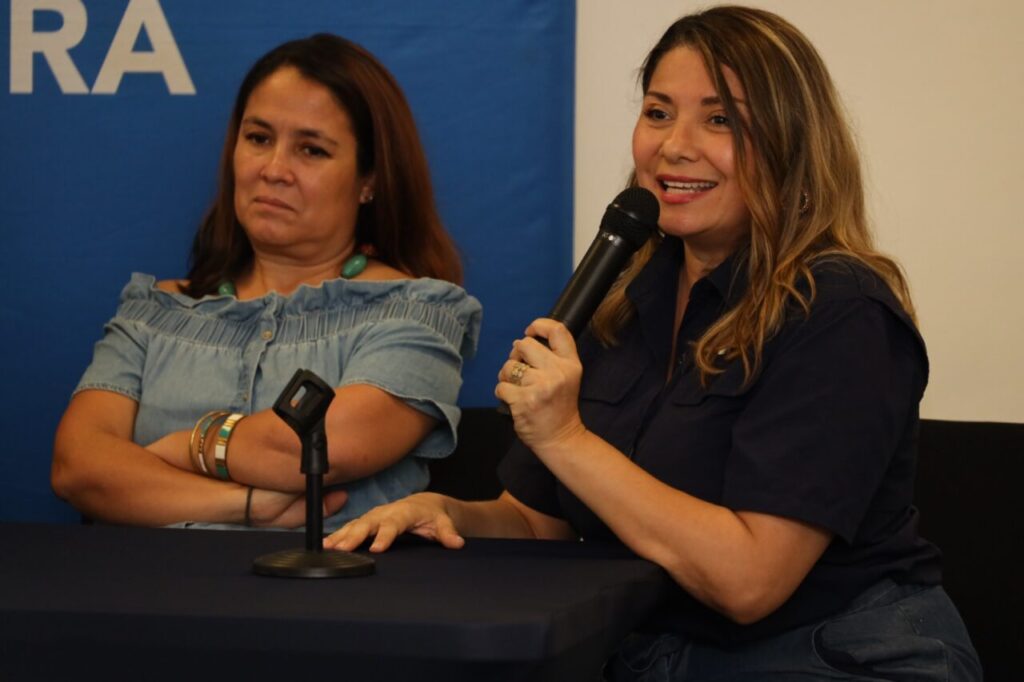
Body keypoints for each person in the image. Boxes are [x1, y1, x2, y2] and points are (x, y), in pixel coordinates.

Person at [325, 7, 981, 680]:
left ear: (791, 141)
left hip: (831, 654)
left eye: (721, 119)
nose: (675, 145)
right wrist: (445, 513)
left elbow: (749, 581)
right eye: (659, 112)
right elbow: (537, 522)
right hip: (653, 652)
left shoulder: (840, 311)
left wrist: (569, 439)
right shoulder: (623, 298)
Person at [51, 34, 481, 533]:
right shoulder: (155, 311)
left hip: (342, 604)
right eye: (258, 138)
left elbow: (319, 446)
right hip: (150, 597)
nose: (274, 170)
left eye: (311, 150)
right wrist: (248, 505)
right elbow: (78, 467)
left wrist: (185, 447)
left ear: (370, 181)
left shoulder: (416, 313)